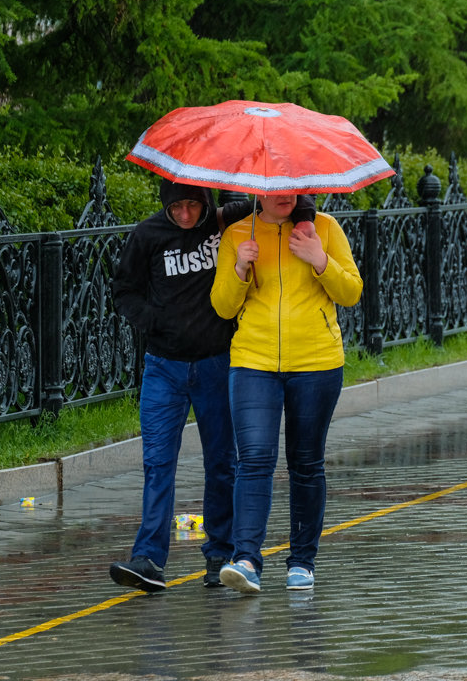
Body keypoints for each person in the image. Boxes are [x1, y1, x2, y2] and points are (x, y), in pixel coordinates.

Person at [108, 181, 314, 592]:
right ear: (164, 205)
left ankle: (219, 552)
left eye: (193, 205)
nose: (185, 215)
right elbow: (123, 291)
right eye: (176, 207)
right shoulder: (147, 235)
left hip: (216, 365)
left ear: (206, 203)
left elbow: (281, 195)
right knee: (157, 463)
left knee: (222, 463)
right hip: (163, 367)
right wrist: (155, 321)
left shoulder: (224, 221)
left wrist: (306, 218)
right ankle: (149, 558)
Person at [210, 193, 361, 594]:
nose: (284, 197)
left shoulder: (325, 229)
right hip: (253, 361)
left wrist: (319, 259)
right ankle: (246, 559)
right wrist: (241, 267)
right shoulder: (238, 234)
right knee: (255, 458)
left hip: (317, 362)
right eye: (275, 189)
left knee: (306, 463)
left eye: (291, 189)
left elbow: (351, 292)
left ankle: (302, 563)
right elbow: (223, 307)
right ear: (259, 191)